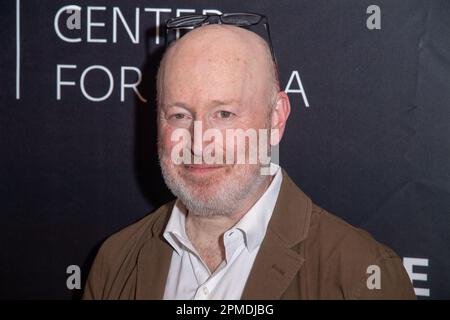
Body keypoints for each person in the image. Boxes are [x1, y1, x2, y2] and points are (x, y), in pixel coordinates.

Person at [83, 16, 415, 300]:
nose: (200, 143)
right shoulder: (115, 261)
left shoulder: (359, 278)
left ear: (276, 119)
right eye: (179, 115)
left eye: (224, 114)